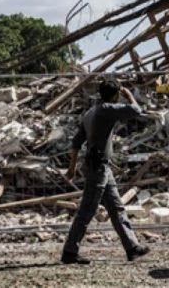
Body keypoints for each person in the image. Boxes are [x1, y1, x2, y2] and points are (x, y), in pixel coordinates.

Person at [60, 78, 150, 265]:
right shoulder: (107, 109)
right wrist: (129, 94)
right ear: (115, 95)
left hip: (101, 167)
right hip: (98, 168)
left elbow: (76, 142)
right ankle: (69, 252)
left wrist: (72, 167)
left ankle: (132, 248)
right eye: (119, 94)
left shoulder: (91, 112)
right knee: (87, 210)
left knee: (116, 208)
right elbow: (136, 110)